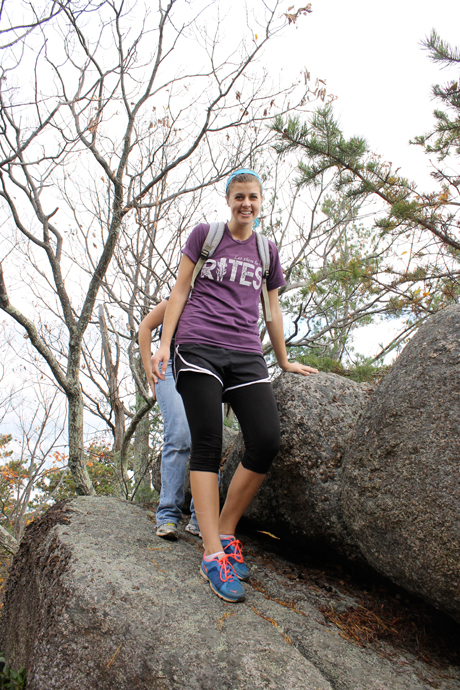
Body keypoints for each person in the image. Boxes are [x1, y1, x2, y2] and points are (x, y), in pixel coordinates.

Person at [152, 168, 318, 603]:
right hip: (198, 347)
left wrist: (283, 361)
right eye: (239, 196)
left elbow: (273, 311)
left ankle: (225, 531)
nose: (246, 203)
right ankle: (211, 556)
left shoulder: (267, 250)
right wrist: (164, 345)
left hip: (246, 353)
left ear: (262, 202)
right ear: (229, 199)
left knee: (266, 440)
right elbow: (180, 290)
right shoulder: (205, 235)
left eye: (253, 197)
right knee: (206, 441)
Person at [139, 300, 200, 541]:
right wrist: (149, 373)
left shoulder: (216, 299)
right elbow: (145, 327)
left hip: (204, 369)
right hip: (170, 368)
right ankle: (167, 515)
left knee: (208, 442)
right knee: (179, 435)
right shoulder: (177, 298)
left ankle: (200, 520)